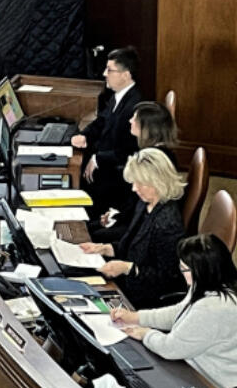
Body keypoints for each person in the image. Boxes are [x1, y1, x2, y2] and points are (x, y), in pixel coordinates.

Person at [111, 234, 237, 388]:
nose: (182, 272)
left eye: (185, 269)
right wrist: (136, 317)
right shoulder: (214, 283)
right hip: (204, 376)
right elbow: (179, 313)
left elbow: (170, 348)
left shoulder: (215, 306)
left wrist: (146, 334)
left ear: (203, 269)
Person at [79, 147, 184, 309]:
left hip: (144, 296)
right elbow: (130, 243)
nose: (134, 188)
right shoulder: (145, 203)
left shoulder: (168, 224)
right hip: (128, 277)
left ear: (157, 182)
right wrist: (105, 249)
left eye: (139, 183)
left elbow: (167, 279)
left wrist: (128, 268)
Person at [70, 46, 142, 215]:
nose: (104, 74)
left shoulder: (133, 107)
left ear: (125, 75)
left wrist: (98, 159)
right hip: (104, 159)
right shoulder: (118, 96)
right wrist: (85, 135)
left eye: (109, 70)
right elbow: (102, 120)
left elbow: (129, 152)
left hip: (116, 177)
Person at [93, 101, 178, 240]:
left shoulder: (153, 160)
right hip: (132, 217)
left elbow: (140, 205)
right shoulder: (155, 150)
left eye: (135, 118)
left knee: (92, 234)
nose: (130, 120)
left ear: (148, 128)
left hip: (140, 228)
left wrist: (116, 217)